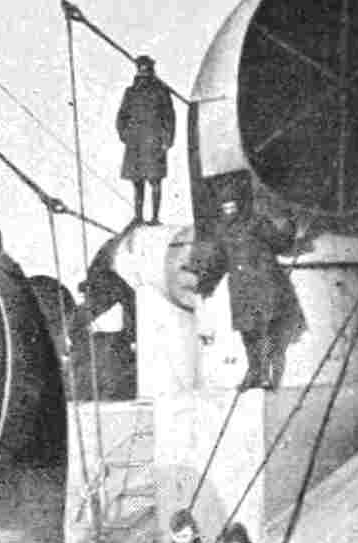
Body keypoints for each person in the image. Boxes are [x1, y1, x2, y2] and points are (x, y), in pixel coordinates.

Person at [192, 197, 296, 391]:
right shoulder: (222, 231)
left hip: (264, 283)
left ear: (240, 206)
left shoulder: (257, 222)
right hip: (241, 288)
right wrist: (204, 286)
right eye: (226, 207)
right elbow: (217, 262)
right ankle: (254, 372)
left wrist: (290, 226)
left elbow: (279, 243)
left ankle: (265, 374)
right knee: (247, 331)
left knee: (265, 328)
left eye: (232, 206)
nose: (229, 211)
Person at [115, 56, 175, 225]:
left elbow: (169, 118)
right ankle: (139, 217)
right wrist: (124, 134)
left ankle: (155, 217)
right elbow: (121, 116)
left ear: (152, 71)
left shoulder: (161, 91)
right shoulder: (130, 92)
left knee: (155, 180)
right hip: (135, 142)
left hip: (155, 142)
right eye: (141, 70)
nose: (144, 73)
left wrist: (167, 140)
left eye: (146, 70)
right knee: (137, 181)